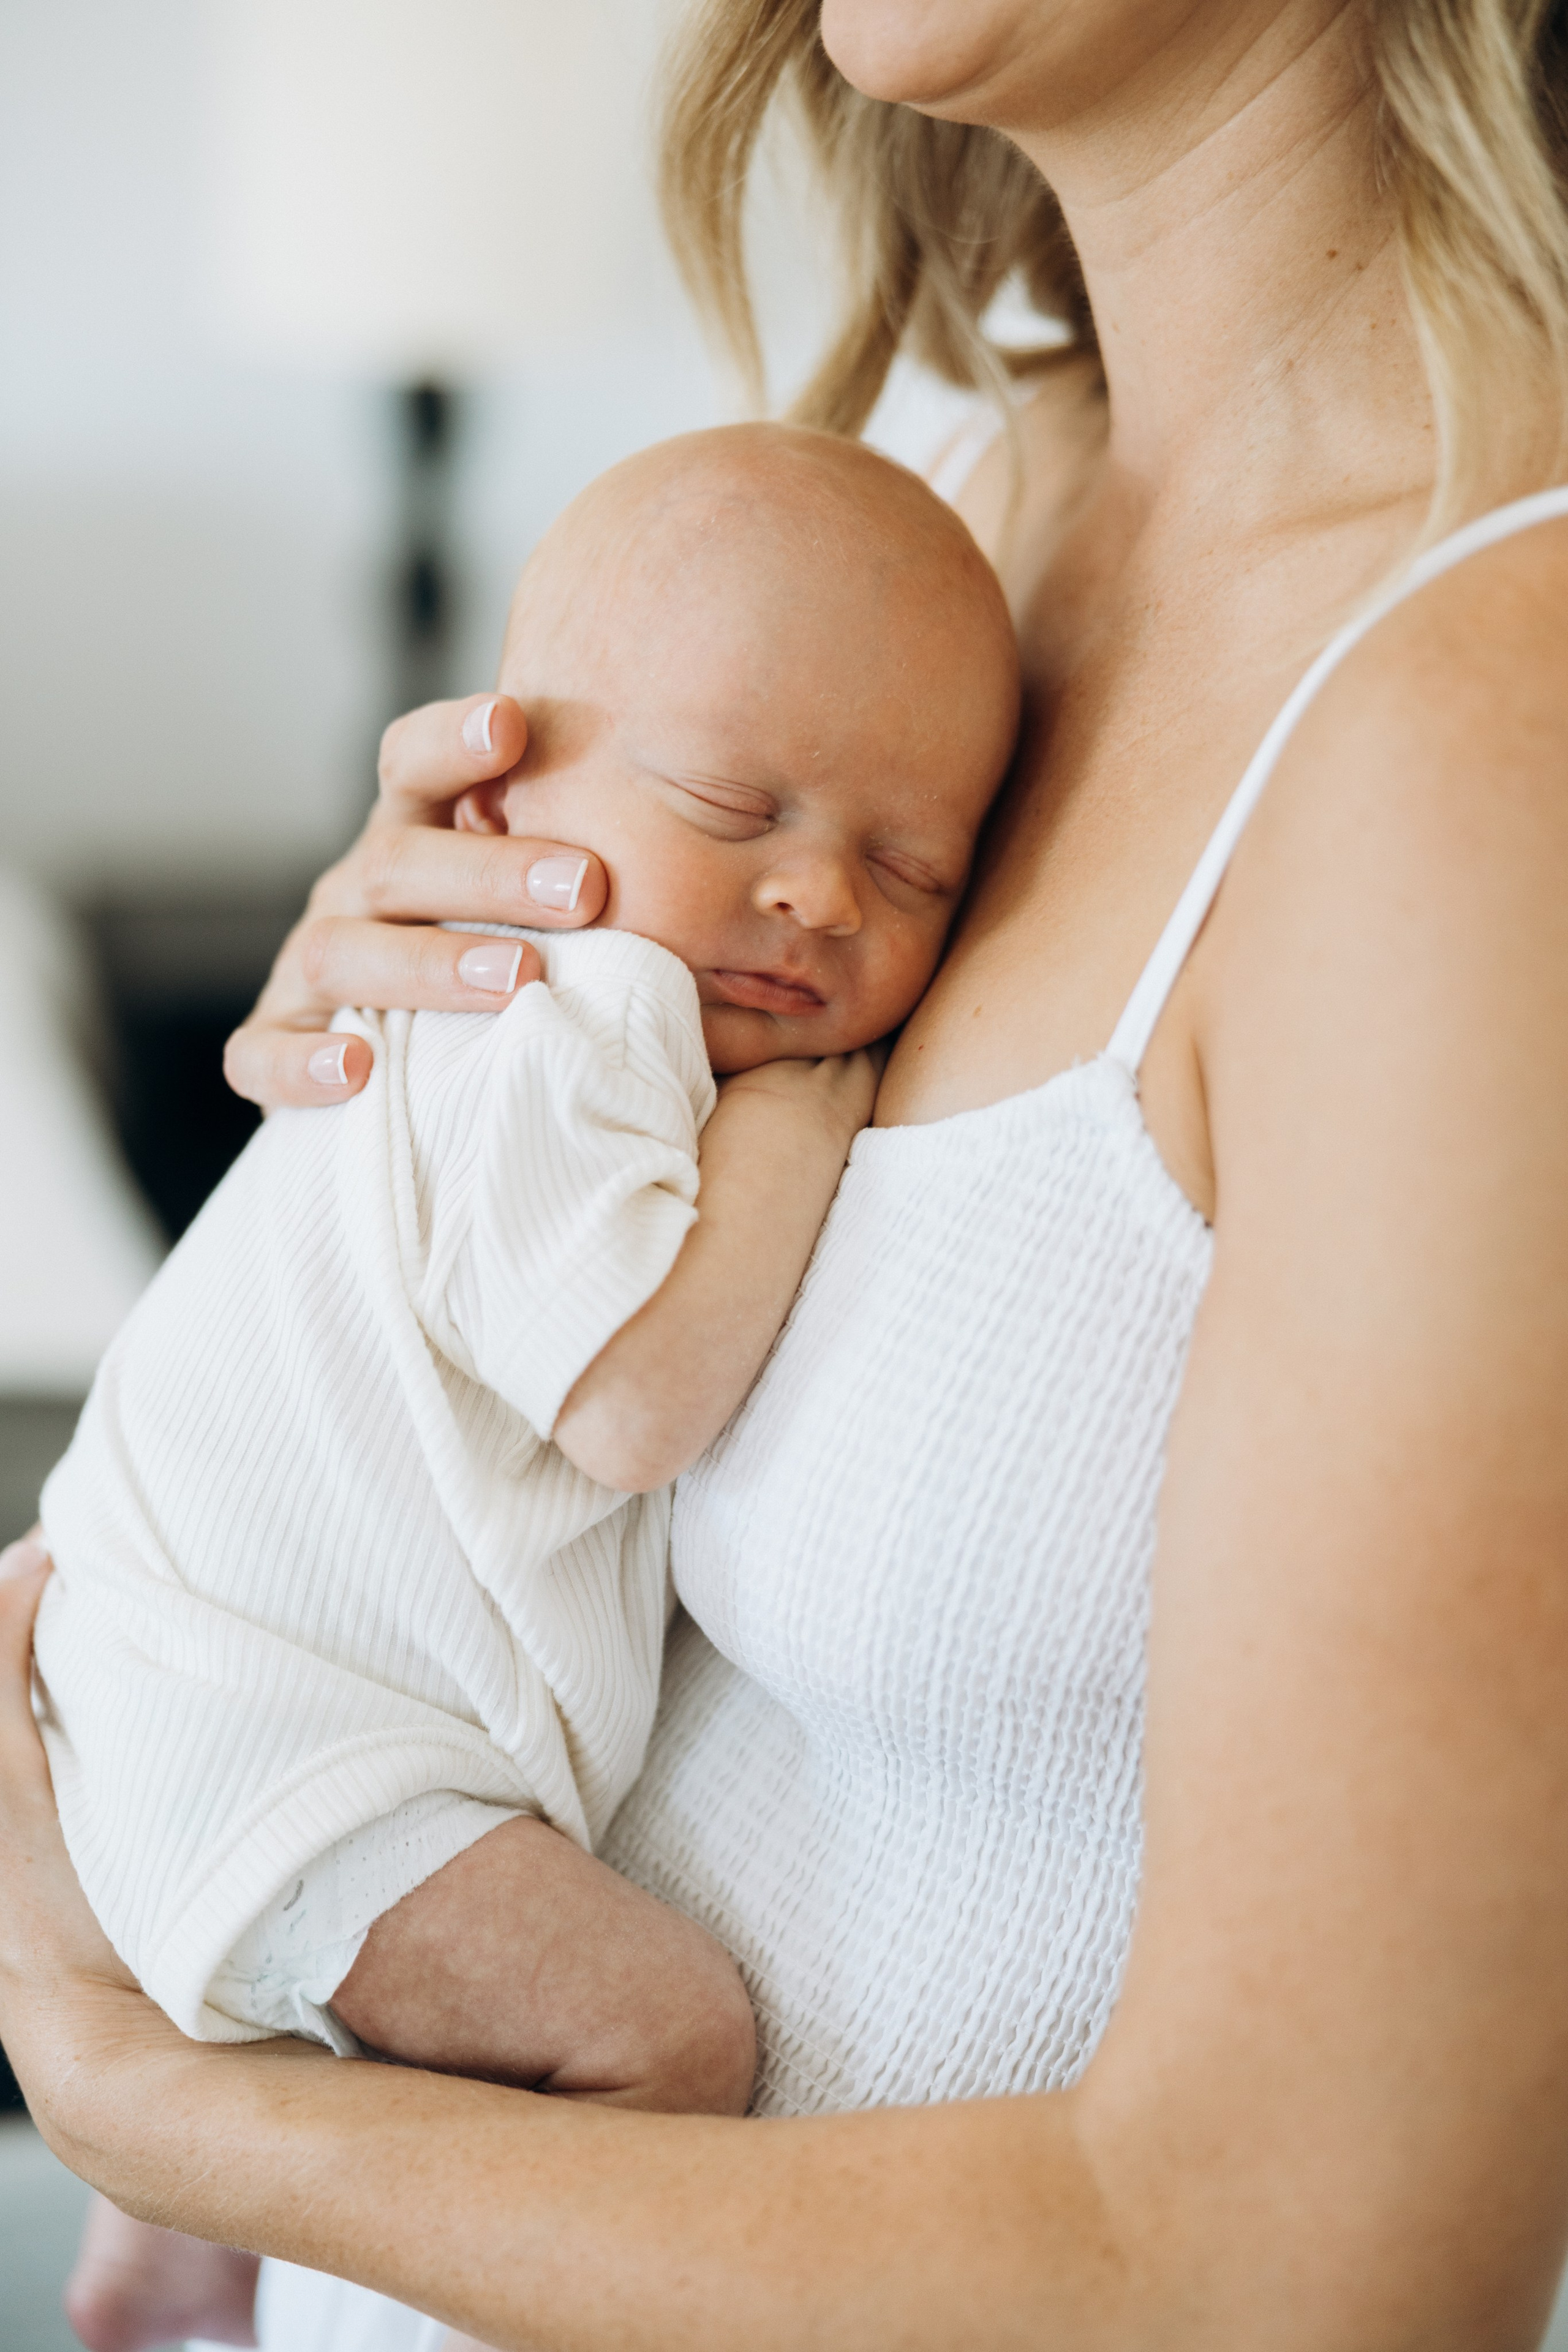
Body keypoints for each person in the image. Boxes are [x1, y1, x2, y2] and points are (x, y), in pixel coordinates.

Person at [4, 0, 1568, 2345]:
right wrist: (415, 1108)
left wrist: (161, 2103)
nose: (816, 897)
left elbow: (1300, 2280)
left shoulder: (1484, 720)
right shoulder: (934, 505)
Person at [32, 424, 1016, 2350]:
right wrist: (804, 1137)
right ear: (489, 801)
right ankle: (221, 2195)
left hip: (223, 1710)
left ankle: (187, 2242)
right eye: (738, 806)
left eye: (913, 863)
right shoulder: (572, 1014)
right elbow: (633, 1407)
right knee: (667, 2035)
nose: (817, 892)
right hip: (282, 1744)